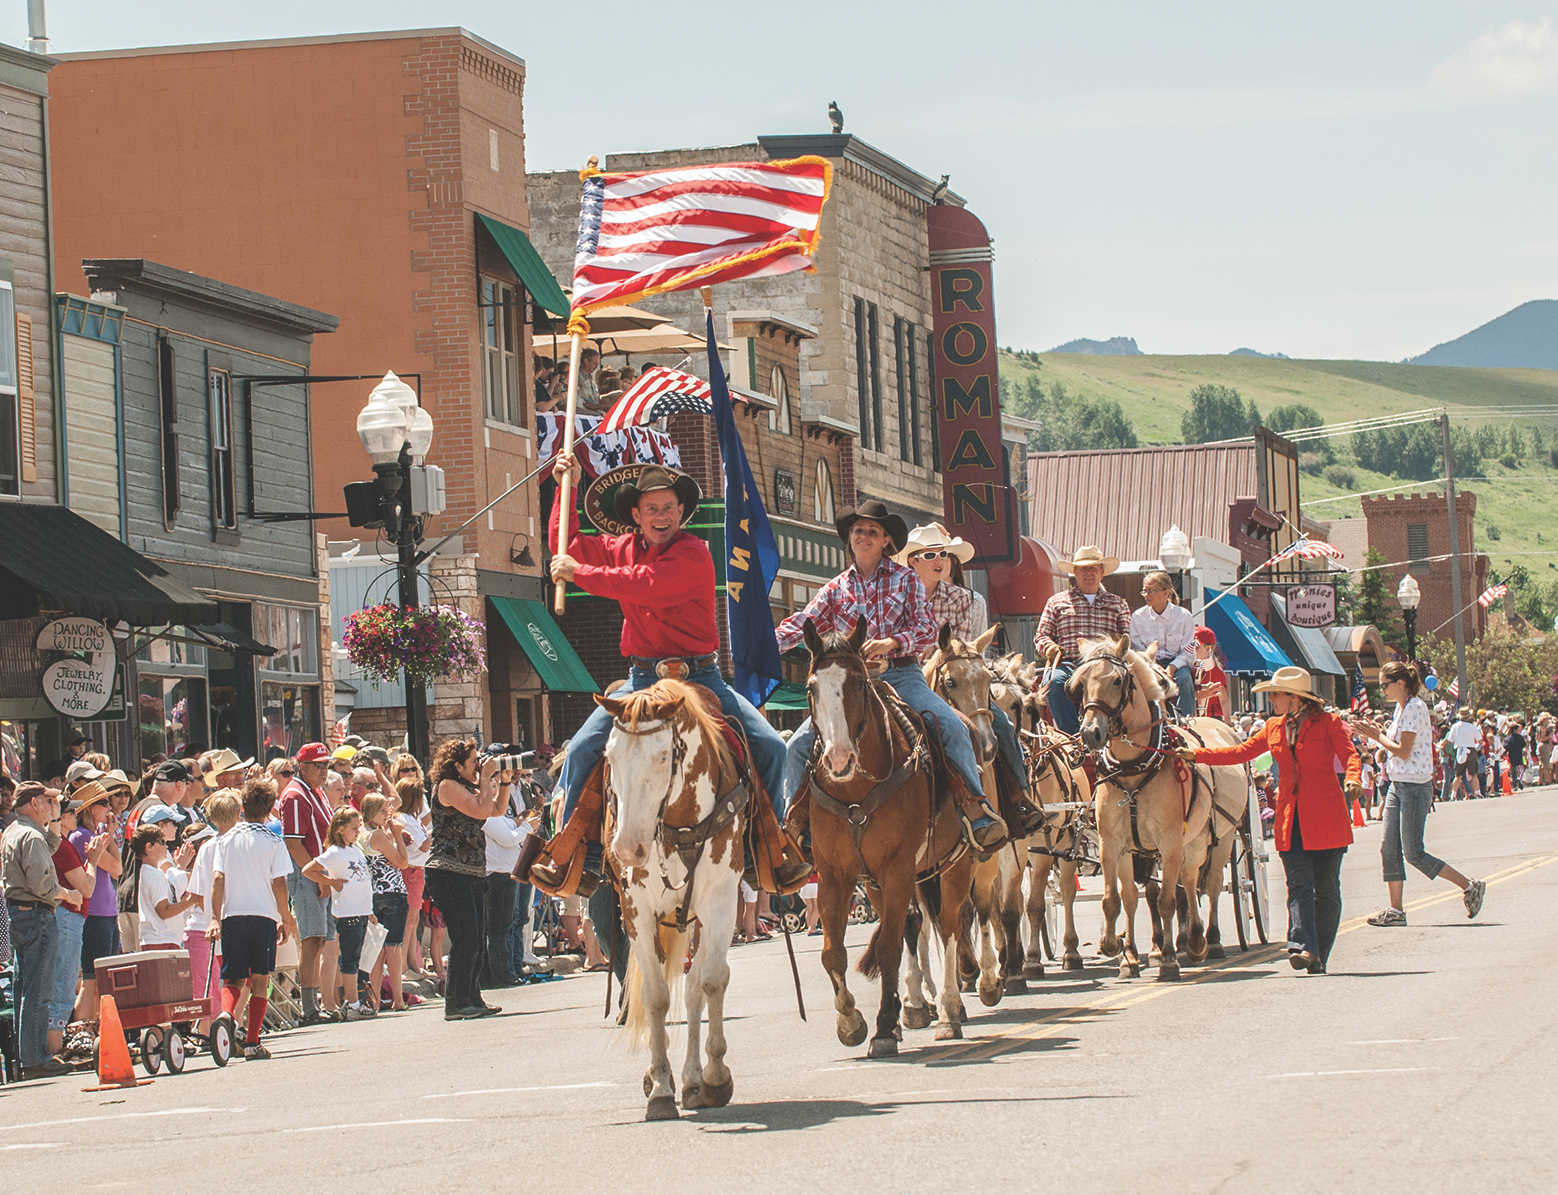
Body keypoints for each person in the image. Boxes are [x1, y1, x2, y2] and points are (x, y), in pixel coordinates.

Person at [544, 457, 804, 885]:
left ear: (681, 513)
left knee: (773, 747)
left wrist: (582, 573)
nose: (661, 516)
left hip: (701, 679)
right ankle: (576, 852)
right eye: (652, 508)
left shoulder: (694, 554)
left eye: (668, 507)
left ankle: (767, 847)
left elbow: (646, 584)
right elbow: (564, 545)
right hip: (642, 679)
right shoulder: (621, 547)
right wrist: (565, 487)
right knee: (580, 751)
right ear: (636, 515)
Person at [776, 500, 1007, 850]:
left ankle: (975, 809)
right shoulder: (835, 589)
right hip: (851, 686)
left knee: (954, 727)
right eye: (858, 531)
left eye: (872, 531)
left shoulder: (906, 579)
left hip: (902, 676)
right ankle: (793, 827)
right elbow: (801, 623)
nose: (864, 536)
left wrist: (892, 642)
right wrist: (762, 645)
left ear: (886, 541)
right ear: (849, 538)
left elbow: (928, 629)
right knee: (795, 747)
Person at [1175, 666, 1362, 974]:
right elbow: (1240, 752)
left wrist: (1353, 779)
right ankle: (1303, 946)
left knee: (1327, 890)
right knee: (1299, 886)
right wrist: (1198, 756)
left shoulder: (1329, 723)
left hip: (1327, 819)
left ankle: (1317, 953)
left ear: (1295, 698)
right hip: (1291, 821)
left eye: (1275, 694)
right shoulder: (1273, 727)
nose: (1271, 699)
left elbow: (1350, 755)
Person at [898, 522, 1044, 836]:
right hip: (909, 679)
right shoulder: (897, 598)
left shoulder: (967, 600)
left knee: (1001, 724)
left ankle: (1019, 795)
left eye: (943, 554)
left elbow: (964, 652)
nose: (940, 560)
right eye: (930, 554)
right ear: (913, 561)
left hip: (958, 682)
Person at [1355, 662, 1486, 927]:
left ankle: (1470, 885)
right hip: (1398, 783)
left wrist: (1377, 736)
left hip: (1415, 785)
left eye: (1384, 685)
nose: (1382, 690)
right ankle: (1396, 910)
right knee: (1388, 847)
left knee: (1413, 852)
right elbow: (1399, 750)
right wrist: (1379, 743)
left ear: (1400, 683)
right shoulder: (1402, 708)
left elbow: (1403, 750)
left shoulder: (1414, 707)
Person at [207, 780, 296, 1060]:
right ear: (270, 810)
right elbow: (279, 883)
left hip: (232, 915)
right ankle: (252, 1041)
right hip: (263, 916)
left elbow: (218, 879)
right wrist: (286, 916)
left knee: (234, 977)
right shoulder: (273, 842)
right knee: (259, 979)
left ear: (242, 807)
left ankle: (225, 1013)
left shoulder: (225, 840)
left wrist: (214, 917)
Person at [424, 737, 507, 1020]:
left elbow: (496, 810)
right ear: (456, 765)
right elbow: (482, 810)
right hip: (448, 871)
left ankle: (472, 998)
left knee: (477, 937)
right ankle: (456, 1003)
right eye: (473, 762)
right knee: (466, 938)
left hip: (470, 871)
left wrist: (503, 782)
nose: (478, 766)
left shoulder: (469, 787)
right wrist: (486, 778)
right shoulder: (447, 787)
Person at [1, 783, 75, 1078]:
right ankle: (34, 1059)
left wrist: (54, 820)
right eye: (47, 802)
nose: (50, 806)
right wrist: (67, 895)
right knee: (38, 989)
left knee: (25, 988)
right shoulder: (30, 835)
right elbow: (41, 883)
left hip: (19, 915)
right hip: (35, 914)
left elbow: (48, 846)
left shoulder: (14, 831)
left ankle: (26, 1057)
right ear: (33, 804)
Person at [1034, 545, 1132, 735]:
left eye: (1093, 568)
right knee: (1054, 682)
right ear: (1075, 572)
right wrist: (1050, 647)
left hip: (1106, 666)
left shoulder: (1118, 604)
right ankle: (1073, 736)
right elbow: (1041, 635)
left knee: (1126, 685)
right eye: (1083, 568)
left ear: (1102, 572)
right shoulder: (1056, 602)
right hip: (1069, 664)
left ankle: (1118, 731)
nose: (1088, 573)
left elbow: (1125, 640)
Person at [278, 742, 340, 1025]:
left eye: (326, 764)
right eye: (319, 765)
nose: (324, 770)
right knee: (311, 940)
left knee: (321, 940)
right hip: (306, 874)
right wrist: (317, 876)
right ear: (302, 767)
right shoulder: (294, 795)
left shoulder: (315, 791)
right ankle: (308, 1008)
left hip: (318, 871)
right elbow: (292, 843)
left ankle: (316, 1003)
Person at [304, 807, 377, 1021]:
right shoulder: (334, 852)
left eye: (358, 827)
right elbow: (309, 870)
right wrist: (331, 882)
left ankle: (353, 1001)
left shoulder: (355, 850)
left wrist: (370, 911)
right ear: (341, 828)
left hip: (361, 910)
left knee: (355, 956)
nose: (357, 831)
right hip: (348, 912)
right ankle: (352, 1003)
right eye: (353, 828)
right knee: (349, 958)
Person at [47, 791, 98, 1059]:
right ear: (59, 816)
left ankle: (52, 1050)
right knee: (64, 986)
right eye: (71, 812)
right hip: (67, 917)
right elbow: (87, 888)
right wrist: (95, 859)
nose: (75, 815)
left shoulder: (60, 843)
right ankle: (53, 1052)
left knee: (64, 985)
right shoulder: (62, 846)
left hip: (67, 917)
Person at [360, 793, 410, 1011]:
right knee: (394, 947)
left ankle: (377, 999)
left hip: (372, 894)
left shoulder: (361, 834)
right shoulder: (378, 835)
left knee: (377, 950)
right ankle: (398, 999)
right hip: (391, 891)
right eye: (382, 810)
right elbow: (402, 862)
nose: (387, 814)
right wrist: (397, 835)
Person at [480, 751, 526, 987]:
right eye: (491, 782)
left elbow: (510, 828)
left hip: (506, 871)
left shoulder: (496, 809)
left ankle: (498, 973)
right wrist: (527, 826)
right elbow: (507, 838)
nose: (495, 787)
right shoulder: (485, 810)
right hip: (497, 874)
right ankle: (503, 974)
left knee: (503, 927)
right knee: (499, 928)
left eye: (497, 783)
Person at [1130, 570, 1197, 719]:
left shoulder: (1184, 616)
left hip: (1177, 664)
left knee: (1184, 680)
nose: (1147, 595)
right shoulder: (1137, 617)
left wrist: (1172, 667)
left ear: (1166, 593)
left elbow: (1188, 651)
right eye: (1145, 591)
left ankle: (1186, 720)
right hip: (1149, 663)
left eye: (1151, 591)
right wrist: (1154, 665)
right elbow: (1137, 649)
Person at [131, 822, 198, 949]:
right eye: (162, 842)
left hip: (163, 940)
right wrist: (191, 900)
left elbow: (169, 904)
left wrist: (184, 900)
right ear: (148, 847)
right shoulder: (154, 876)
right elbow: (164, 912)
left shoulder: (154, 873)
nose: (166, 847)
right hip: (161, 940)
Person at [1192, 627, 1230, 723]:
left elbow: (1224, 699)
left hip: (1213, 719)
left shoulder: (1216, 673)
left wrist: (1228, 719)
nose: (1191, 649)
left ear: (1208, 649)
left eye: (1196, 646)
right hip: (1191, 719)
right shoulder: (1187, 669)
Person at [1442, 709, 1480, 801]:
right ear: (1469, 717)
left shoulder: (1455, 726)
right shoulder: (1472, 727)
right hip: (1470, 749)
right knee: (1473, 774)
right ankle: (1477, 793)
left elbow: (1450, 741)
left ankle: (1453, 795)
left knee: (1458, 775)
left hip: (1459, 750)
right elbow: (1480, 740)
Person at [1506, 719, 1528, 792]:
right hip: (1519, 754)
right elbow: (1525, 744)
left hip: (1512, 755)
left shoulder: (1509, 738)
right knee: (1521, 767)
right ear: (1515, 729)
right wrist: (1525, 751)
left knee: (1513, 770)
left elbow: (1506, 747)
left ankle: (1515, 784)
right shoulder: (1519, 737)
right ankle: (1520, 779)